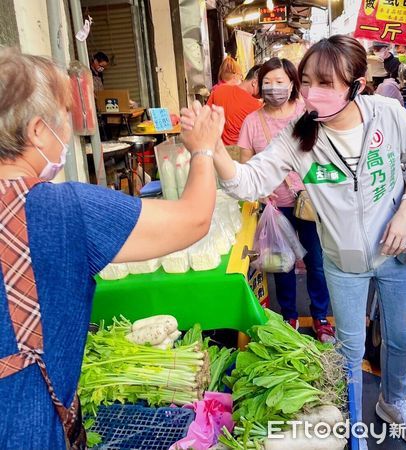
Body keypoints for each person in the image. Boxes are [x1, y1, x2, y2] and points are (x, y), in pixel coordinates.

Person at [182, 35, 406, 449]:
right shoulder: (300, 138)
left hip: (396, 252)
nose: (313, 93)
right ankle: (355, 425)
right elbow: (248, 182)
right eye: (309, 82)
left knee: (401, 338)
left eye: (327, 84)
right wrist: (212, 150)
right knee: (348, 349)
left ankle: (395, 402)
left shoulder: (387, 115)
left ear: (355, 84)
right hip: (343, 261)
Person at [0, 48, 224, 449]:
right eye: (63, 117)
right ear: (36, 131)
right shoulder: (62, 209)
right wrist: (203, 150)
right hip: (24, 426)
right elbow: (193, 219)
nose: (65, 129)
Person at [237, 57, 333, 343]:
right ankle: (289, 315)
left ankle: (320, 317)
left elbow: (325, 153)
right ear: (258, 85)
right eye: (267, 82)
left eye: (280, 82)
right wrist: (257, 190)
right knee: (282, 263)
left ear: (293, 84)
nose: (273, 88)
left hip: (310, 204)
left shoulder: (307, 114)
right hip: (274, 207)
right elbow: (245, 161)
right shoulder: (252, 122)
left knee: (316, 262)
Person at [207, 65, 262, 145]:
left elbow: (206, 117)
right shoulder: (257, 106)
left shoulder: (219, 90)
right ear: (254, 83)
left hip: (215, 149)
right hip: (239, 153)